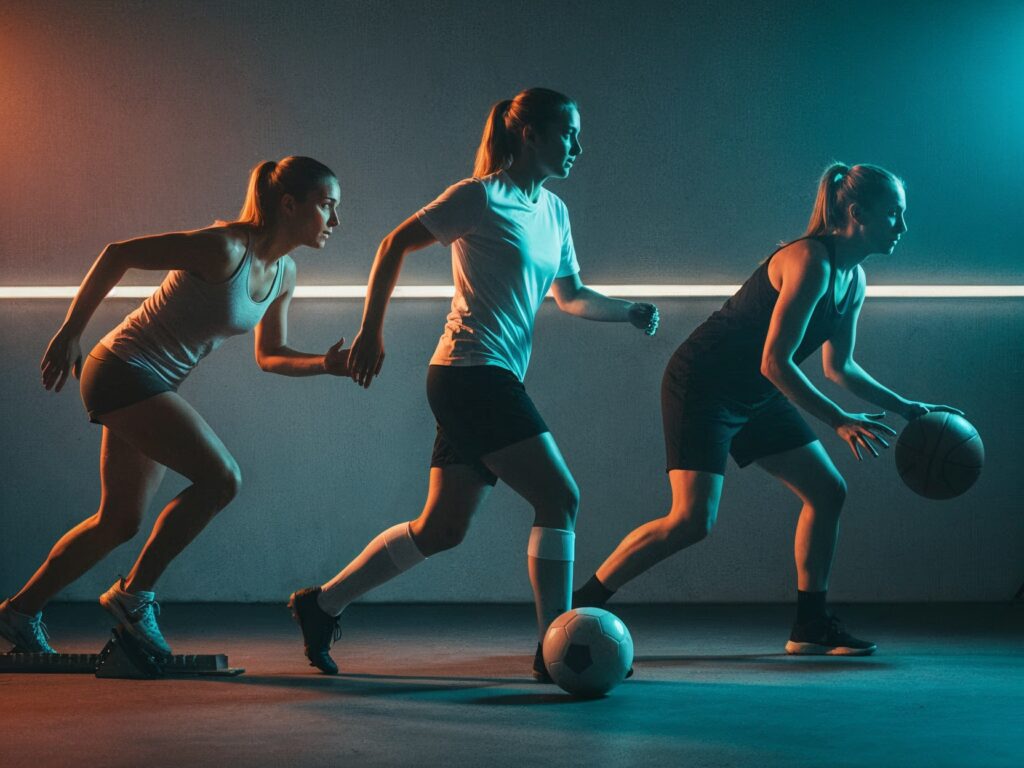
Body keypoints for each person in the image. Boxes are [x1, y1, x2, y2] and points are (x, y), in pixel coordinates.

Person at [288, 88, 659, 678]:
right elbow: (393, 245)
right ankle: (554, 650)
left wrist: (627, 311)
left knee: (442, 529)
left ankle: (321, 603)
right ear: (530, 134)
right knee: (560, 498)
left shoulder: (554, 212)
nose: (578, 147)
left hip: (487, 376)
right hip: (469, 373)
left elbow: (570, 296)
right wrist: (370, 332)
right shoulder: (479, 198)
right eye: (568, 133)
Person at [573, 163, 962, 655]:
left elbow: (839, 367)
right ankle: (580, 604)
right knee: (691, 520)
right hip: (704, 383)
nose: (903, 228)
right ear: (857, 213)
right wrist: (839, 420)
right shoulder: (809, 261)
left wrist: (906, 407)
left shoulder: (854, 279)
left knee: (826, 491)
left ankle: (810, 626)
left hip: (755, 392)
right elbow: (775, 362)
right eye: (894, 216)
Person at [0, 156, 349, 658]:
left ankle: (18, 612)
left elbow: (270, 355)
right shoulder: (223, 247)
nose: (335, 222)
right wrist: (71, 331)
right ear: (290, 205)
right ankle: (133, 597)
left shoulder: (284, 274)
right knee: (222, 479)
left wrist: (326, 364)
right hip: (120, 368)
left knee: (119, 521)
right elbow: (118, 253)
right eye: (327, 206)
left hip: (150, 383)